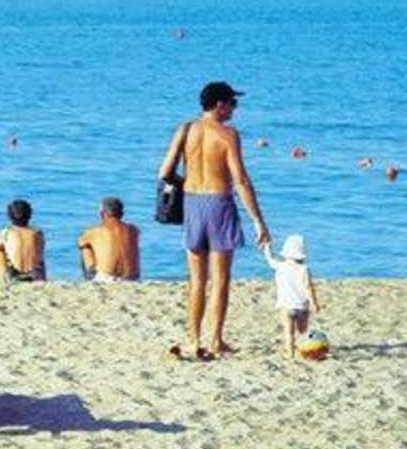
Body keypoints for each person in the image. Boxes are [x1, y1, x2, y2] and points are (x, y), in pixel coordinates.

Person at [158, 81, 270, 360]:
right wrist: (258, 220)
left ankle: (193, 338)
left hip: (192, 204)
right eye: (232, 103)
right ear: (219, 104)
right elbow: (240, 180)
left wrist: (188, 182)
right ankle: (215, 340)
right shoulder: (228, 134)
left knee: (197, 280)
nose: (234, 109)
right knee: (220, 279)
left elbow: (165, 172)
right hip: (219, 203)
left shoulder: (185, 129)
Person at [262, 234, 321, 360]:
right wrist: (314, 303)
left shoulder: (280, 266)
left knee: (289, 333)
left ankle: (290, 354)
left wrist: (267, 247)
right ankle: (304, 350)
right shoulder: (304, 269)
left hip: (286, 306)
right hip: (302, 306)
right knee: (302, 332)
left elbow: (270, 259)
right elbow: (308, 287)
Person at [77, 197, 141, 281]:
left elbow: (80, 241)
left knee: (85, 246)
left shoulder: (93, 231)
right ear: (122, 214)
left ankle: (89, 277)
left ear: (102, 213)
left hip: (107, 278)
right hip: (132, 277)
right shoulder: (134, 230)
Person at [0, 199, 46, 283]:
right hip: (34, 273)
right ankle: (42, 279)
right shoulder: (38, 232)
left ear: (9, 216)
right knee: (39, 255)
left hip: (13, 274)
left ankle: (1, 280)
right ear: (30, 215)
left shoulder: (7, 232)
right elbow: (40, 252)